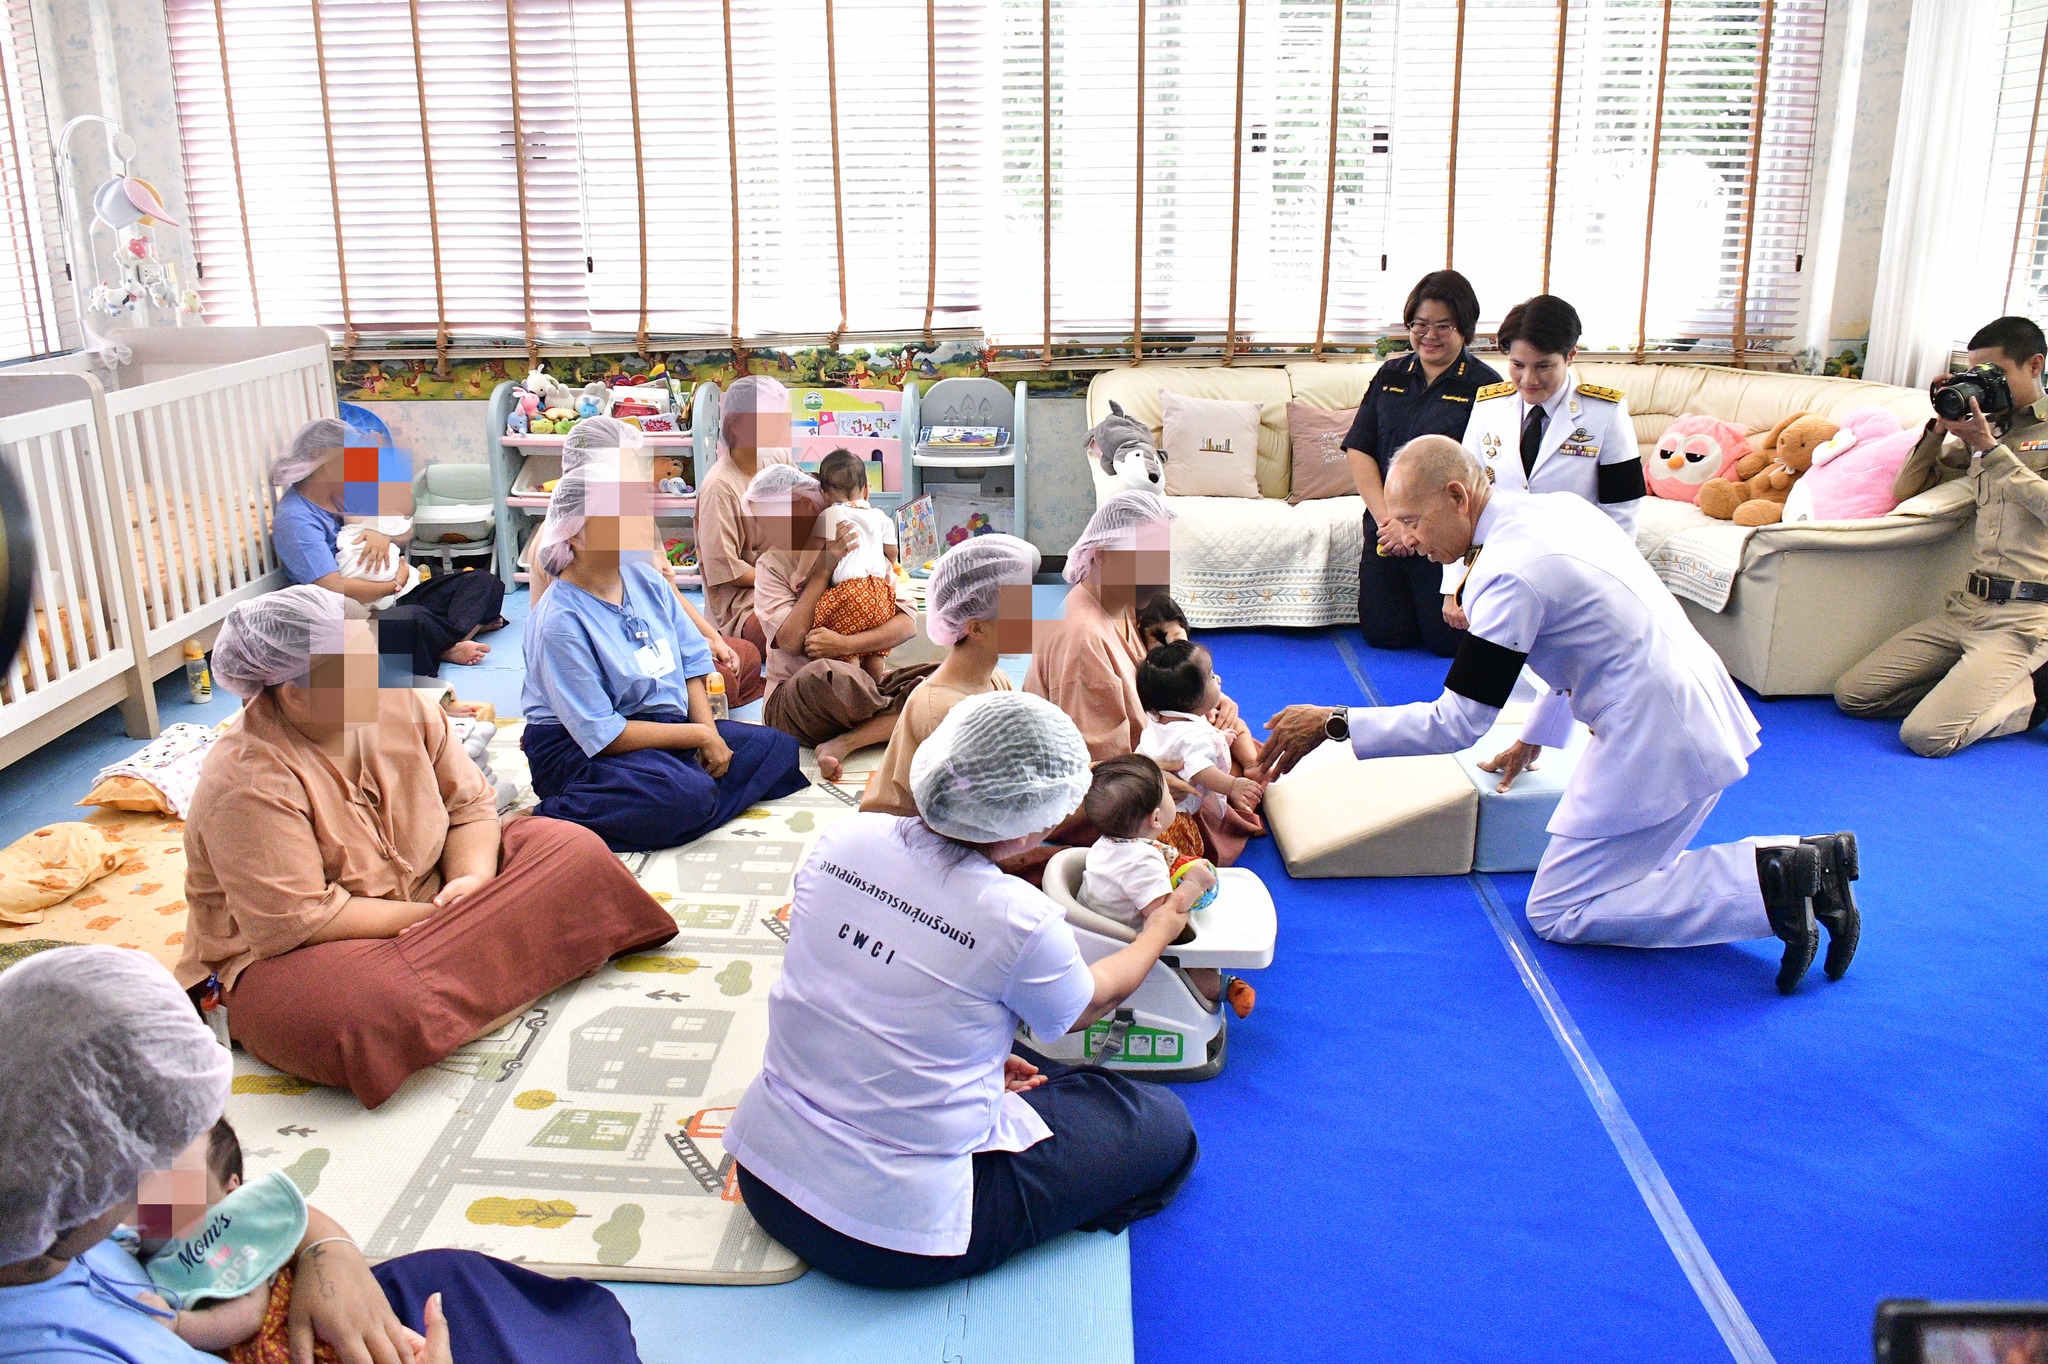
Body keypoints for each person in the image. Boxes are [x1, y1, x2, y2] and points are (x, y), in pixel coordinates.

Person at [1259, 436, 1862, 996]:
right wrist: (1535, 737)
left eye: (1412, 521)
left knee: (1560, 909)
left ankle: (1772, 883)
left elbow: (1458, 722)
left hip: (1655, 734)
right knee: (1625, 878)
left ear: (1457, 496)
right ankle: (1809, 860)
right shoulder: (1556, 509)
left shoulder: (1506, 573)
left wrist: (1335, 722)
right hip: (1694, 701)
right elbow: (1586, 632)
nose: (1407, 540)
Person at [722, 692, 1201, 1288]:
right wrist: (1162, 925)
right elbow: (1091, 1003)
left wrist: (981, 1060)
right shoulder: (1017, 918)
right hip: (889, 1237)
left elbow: (873, 980)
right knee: (1158, 1122)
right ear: (1041, 816)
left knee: (1020, 1057)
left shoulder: (844, 839)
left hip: (764, 1174)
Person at [0, 945, 642, 1364]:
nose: (162, 1188)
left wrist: (327, 1256)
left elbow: (245, 1215)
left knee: (455, 1279)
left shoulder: (60, 1230)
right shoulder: (55, 1346)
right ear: (83, 1190)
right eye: (149, 1169)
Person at [178, 588, 679, 1107]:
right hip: (311, 949)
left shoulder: (402, 703)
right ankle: (533, 956)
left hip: (438, 896)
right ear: (294, 695)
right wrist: (442, 916)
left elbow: (470, 806)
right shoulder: (246, 780)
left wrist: (471, 880)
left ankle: (461, 996)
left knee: (573, 849)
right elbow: (302, 920)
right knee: (360, 1006)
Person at [519, 466, 806, 851]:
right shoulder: (559, 622)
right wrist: (700, 736)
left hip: (660, 726)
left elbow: (691, 663)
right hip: (581, 749)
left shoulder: (644, 578)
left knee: (779, 750)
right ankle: (550, 817)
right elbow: (603, 733)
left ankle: (683, 794)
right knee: (683, 797)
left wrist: (707, 732)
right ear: (575, 534)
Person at [1835, 317, 2048, 757]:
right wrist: (1939, 426)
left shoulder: (1997, 440)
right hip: (1968, 607)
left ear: (2034, 365)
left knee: (1926, 737)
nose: (1984, 384)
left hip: (2026, 619)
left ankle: (2036, 700)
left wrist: (1991, 451)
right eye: (1975, 374)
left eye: (1995, 373)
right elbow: (1907, 488)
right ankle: (1970, 691)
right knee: (1855, 695)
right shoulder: (1989, 428)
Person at [1025, 491, 1259, 865]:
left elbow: (1152, 682)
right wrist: (1173, 759)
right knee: (1222, 779)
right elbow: (1102, 772)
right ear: (1103, 555)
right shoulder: (1083, 639)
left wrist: (1201, 701)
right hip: (1101, 793)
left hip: (1145, 743)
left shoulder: (1116, 601)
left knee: (1227, 736)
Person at [1448, 294, 1644, 632]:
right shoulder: (1488, 407)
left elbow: (1622, 509)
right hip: (1500, 568)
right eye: (1517, 365)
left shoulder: (1605, 412)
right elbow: (1462, 501)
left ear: (1571, 355)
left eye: (1543, 366)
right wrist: (1456, 584)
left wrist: (1607, 584)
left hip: (1574, 574)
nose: (1528, 380)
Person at [543, 415, 765, 708]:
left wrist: (711, 639)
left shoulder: (631, 515)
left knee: (742, 658)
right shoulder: (566, 537)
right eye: (626, 463)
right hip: (618, 660)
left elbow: (665, 591)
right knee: (716, 680)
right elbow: (595, 637)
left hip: (654, 639)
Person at [270, 417, 507, 679]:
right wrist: (393, 584)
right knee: (414, 619)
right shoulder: (295, 520)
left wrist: (381, 534)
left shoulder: (343, 491)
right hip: (353, 614)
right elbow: (333, 588)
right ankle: (454, 637)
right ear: (328, 466)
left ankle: (444, 642)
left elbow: (405, 532)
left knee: (483, 582)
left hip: (395, 593)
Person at [1343, 270, 1504, 655]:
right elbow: (1360, 448)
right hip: (1387, 531)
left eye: (1443, 326)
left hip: (1446, 539)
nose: (1429, 335)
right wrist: (1391, 521)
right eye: (1419, 324)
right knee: (1383, 636)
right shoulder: (1391, 375)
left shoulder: (1487, 386)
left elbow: (1489, 474)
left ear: (1464, 328)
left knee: (1446, 643)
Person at [747, 464, 935, 780]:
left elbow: (906, 625)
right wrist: (822, 570)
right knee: (828, 676)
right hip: (806, 697)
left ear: (803, 506)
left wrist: (846, 644)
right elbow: (791, 642)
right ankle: (901, 713)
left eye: (765, 520)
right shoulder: (774, 562)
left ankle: (847, 741)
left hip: (865, 687)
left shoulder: (863, 545)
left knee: (952, 676)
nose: (761, 532)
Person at [861, 533, 1037, 818]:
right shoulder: (940, 709)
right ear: (977, 628)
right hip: (913, 832)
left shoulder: (996, 679)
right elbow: (959, 815)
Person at [1079, 754, 1252, 1018]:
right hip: (1126, 944)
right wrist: (1194, 884)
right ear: (1156, 819)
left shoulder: (1109, 843)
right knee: (1187, 959)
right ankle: (1221, 988)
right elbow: (1164, 920)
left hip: (1094, 933)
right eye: (1169, 794)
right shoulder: (1141, 862)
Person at [696, 375, 794, 657]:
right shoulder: (720, 487)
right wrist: (787, 579)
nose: (779, 425)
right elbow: (729, 570)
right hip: (745, 603)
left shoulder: (777, 458)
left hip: (788, 579)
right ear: (737, 425)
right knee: (805, 626)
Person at [1135, 640, 1264, 843]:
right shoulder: (1193, 736)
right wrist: (1232, 786)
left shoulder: (1159, 716)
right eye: (1211, 677)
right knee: (1189, 846)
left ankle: (1250, 766)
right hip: (1175, 813)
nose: (1218, 679)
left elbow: (1178, 745)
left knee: (1236, 729)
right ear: (1188, 700)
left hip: (1143, 792)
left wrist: (1220, 738)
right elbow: (1200, 770)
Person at [811, 448, 902, 683]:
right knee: (874, 650)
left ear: (825, 495)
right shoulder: (881, 516)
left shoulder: (829, 515)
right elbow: (892, 553)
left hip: (849, 593)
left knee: (843, 643)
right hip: (880, 594)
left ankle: (854, 686)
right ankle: (875, 685)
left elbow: (812, 554)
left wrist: (800, 576)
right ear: (866, 490)